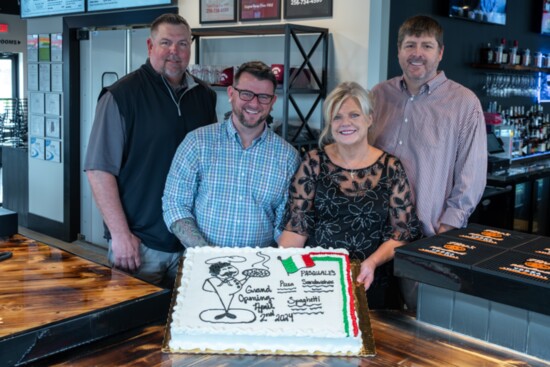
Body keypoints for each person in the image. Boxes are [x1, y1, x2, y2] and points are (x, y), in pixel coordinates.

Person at [84, 13, 217, 288]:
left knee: (185, 327)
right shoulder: (121, 96)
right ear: (149, 46)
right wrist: (120, 235)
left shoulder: (204, 96)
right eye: (165, 42)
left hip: (191, 244)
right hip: (140, 245)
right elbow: (99, 171)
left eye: (182, 44)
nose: (174, 51)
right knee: (135, 327)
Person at [369, 15, 487, 306]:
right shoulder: (378, 95)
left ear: (440, 52)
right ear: (398, 51)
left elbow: (471, 177)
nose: (417, 53)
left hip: (425, 238)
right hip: (373, 232)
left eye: (427, 46)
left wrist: (445, 233)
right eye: (410, 45)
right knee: (372, 319)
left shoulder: (463, 103)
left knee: (421, 326)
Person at [278, 82, 422, 309]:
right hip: (318, 280)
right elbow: (296, 228)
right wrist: (285, 272)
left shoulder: (391, 167)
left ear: (369, 119)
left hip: (373, 280)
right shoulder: (314, 163)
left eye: (354, 115)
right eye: (337, 117)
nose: (345, 123)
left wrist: (372, 263)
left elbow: (401, 233)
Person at [163, 61, 300, 249]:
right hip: (202, 264)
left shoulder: (288, 158)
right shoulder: (197, 142)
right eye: (246, 94)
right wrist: (207, 255)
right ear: (231, 94)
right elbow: (175, 204)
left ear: (273, 101)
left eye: (263, 97)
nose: (254, 103)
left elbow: (284, 225)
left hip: (258, 268)